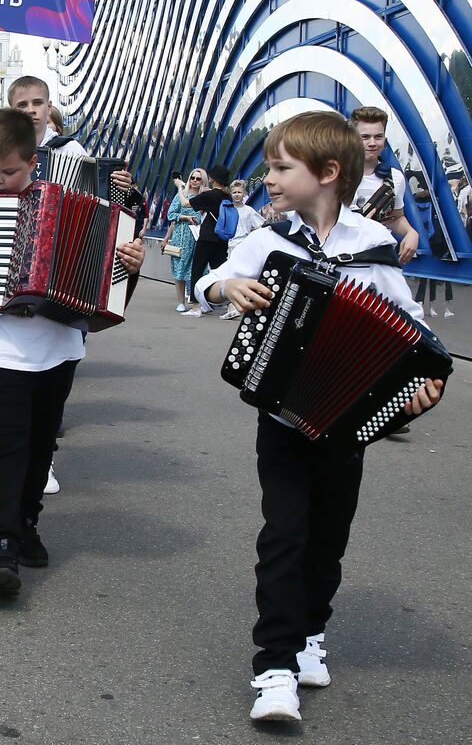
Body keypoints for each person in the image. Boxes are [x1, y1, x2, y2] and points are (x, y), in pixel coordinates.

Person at [194, 110, 443, 723]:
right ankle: (273, 666)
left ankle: (310, 632)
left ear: (329, 173)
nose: (269, 178)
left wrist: (424, 383)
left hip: (345, 426)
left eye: (282, 167)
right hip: (280, 418)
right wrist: (228, 291)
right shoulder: (266, 240)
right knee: (284, 534)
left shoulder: (374, 249)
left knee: (328, 538)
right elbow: (208, 283)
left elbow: (416, 333)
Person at [0, 108, 143, 598]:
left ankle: (26, 522)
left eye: (10, 172)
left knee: (42, 442)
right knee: (3, 445)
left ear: (33, 163)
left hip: (59, 345)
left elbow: (107, 277)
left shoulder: (76, 204)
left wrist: (129, 260)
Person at [5, 75, 138, 495]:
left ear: (49, 107)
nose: (30, 110)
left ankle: (45, 453)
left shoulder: (74, 152)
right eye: (22, 103)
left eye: (37, 103)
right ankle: (19, 455)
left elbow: (104, 209)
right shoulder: (4, 148)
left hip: (65, 263)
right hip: (16, 257)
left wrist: (121, 188)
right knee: (14, 366)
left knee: (59, 365)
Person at [350, 106, 419, 263]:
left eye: (378, 137)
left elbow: (394, 217)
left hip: (378, 259)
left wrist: (411, 233)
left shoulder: (394, 178)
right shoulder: (334, 175)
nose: (372, 143)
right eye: (365, 137)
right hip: (340, 258)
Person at [183, 164, 233, 316]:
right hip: (222, 239)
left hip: (207, 237)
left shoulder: (210, 195)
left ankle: (196, 306)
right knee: (220, 271)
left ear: (214, 179)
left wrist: (180, 187)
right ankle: (230, 304)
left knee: (197, 269)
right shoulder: (226, 196)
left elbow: (186, 203)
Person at [218, 179, 265, 320]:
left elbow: (260, 225)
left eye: (239, 192)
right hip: (231, 244)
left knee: (238, 275)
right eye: (234, 192)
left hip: (243, 244)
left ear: (244, 193)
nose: (237, 195)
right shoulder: (227, 208)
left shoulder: (248, 211)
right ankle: (234, 305)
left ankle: (234, 306)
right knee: (233, 275)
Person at [165, 169, 205, 312]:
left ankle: (197, 300)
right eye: (192, 177)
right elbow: (171, 214)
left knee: (197, 268)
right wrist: (185, 218)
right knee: (179, 269)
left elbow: (199, 218)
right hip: (180, 235)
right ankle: (180, 301)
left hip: (196, 236)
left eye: (198, 179)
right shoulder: (181, 195)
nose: (194, 180)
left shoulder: (203, 196)